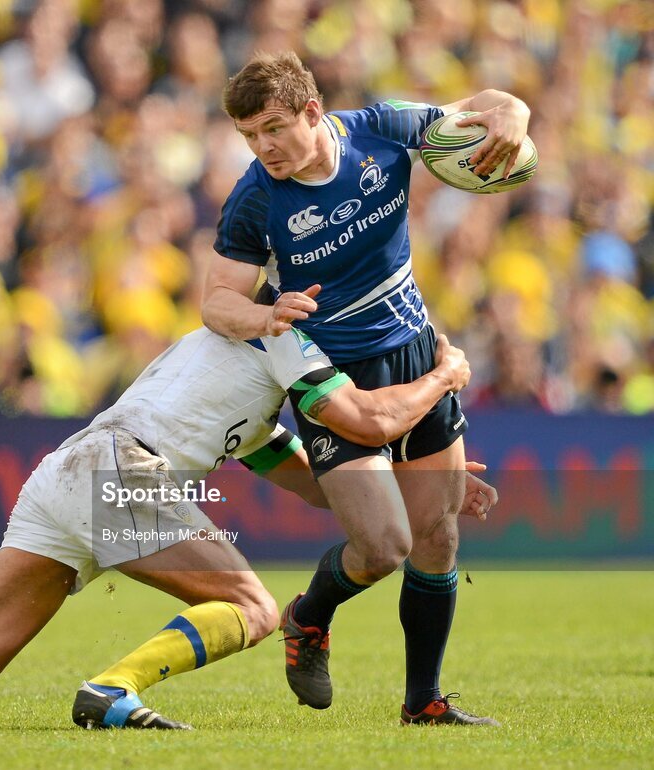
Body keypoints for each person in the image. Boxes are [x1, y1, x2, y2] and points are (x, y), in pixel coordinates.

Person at [0, 320, 492, 730]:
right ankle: (115, 690)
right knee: (251, 608)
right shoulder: (283, 330)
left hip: (70, 469)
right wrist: (450, 375)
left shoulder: (228, 352)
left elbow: (321, 488)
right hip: (116, 469)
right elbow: (365, 416)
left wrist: (429, 485)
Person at [202, 50, 530, 726]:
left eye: (272, 128)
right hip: (329, 372)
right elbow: (215, 302)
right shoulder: (256, 198)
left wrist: (515, 116)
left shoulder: (381, 129)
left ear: (313, 112)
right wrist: (265, 316)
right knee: (385, 546)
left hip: (412, 349)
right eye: (249, 136)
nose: (263, 147)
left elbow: (493, 107)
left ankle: (424, 702)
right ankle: (309, 617)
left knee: (436, 534)